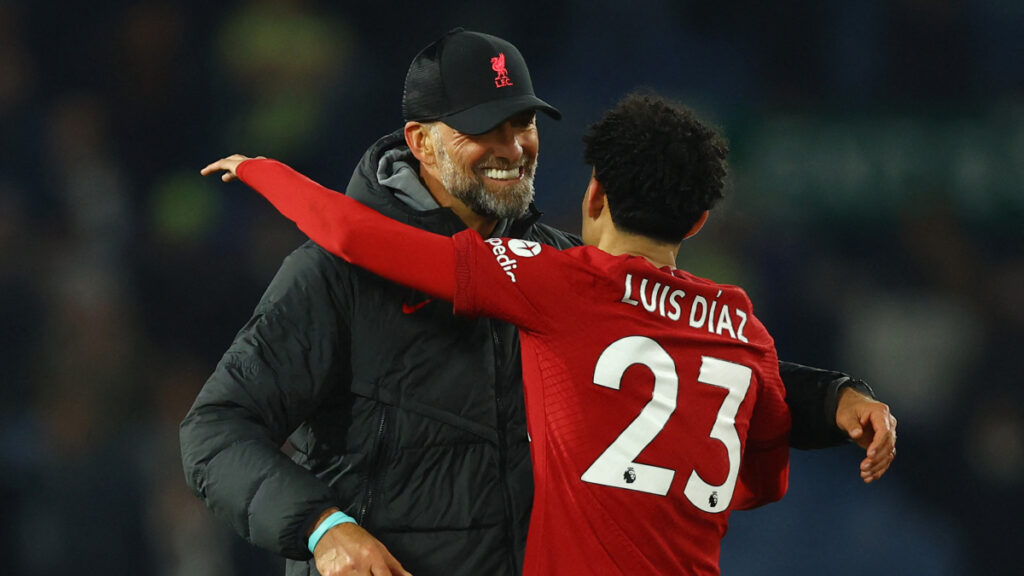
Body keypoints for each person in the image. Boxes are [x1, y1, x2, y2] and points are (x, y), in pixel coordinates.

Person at [181, 28, 896, 576]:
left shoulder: (565, 270)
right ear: (420, 143)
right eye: (484, 127)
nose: (514, 146)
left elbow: (699, 357)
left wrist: (836, 398)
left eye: (523, 122)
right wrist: (320, 527)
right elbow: (213, 434)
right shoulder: (332, 276)